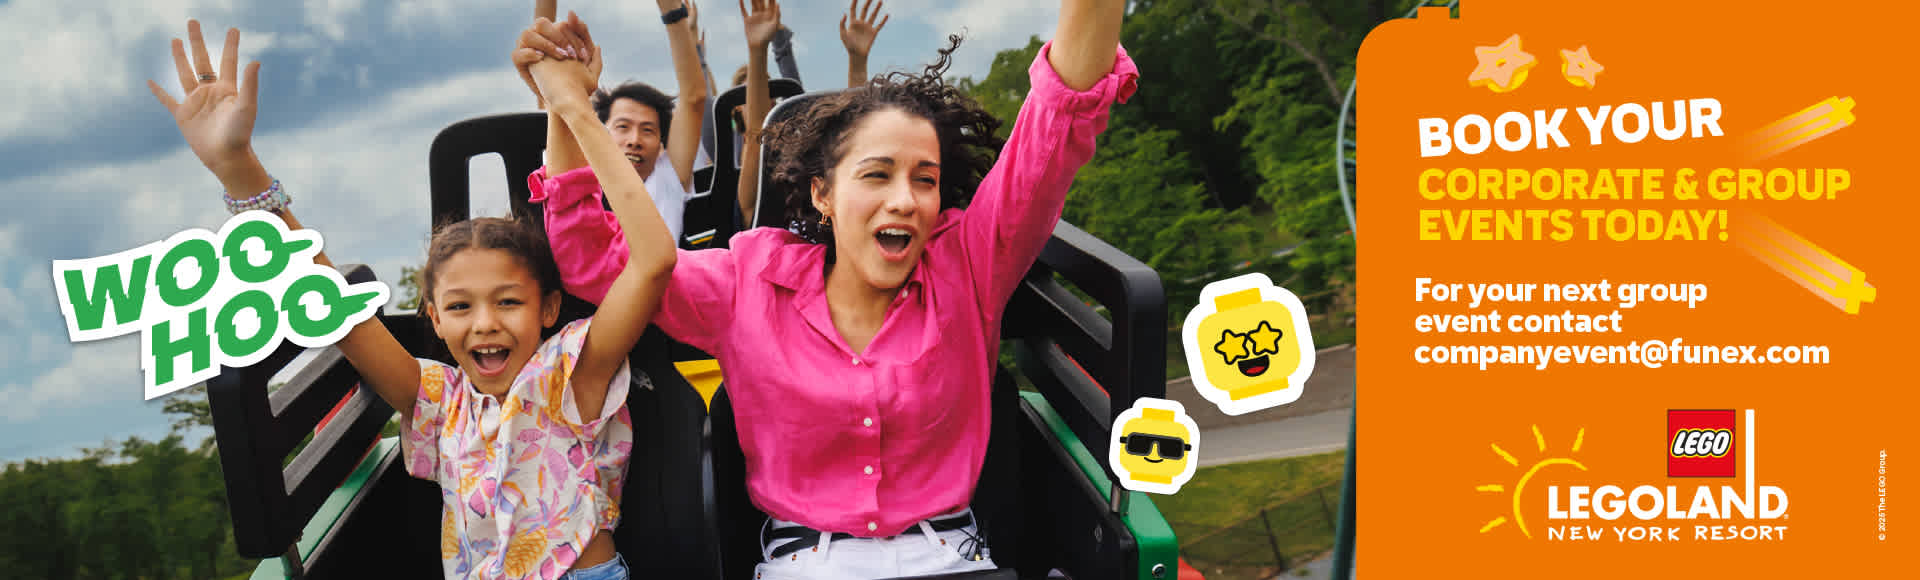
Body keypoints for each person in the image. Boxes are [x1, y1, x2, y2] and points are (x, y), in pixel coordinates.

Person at [539, 0, 1131, 576]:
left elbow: (1060, 117)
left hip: (952, 560)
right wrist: (568, 108)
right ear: (823, 195)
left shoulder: (969, 262)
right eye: (876, 174)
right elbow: (595, 257)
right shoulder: (746, 284)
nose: (904, 198)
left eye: (924, 180)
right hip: (804, 564)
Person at [150, 17, 678, 580]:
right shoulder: (438, 403)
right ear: (433, 318)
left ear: (548, 309)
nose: (484, 324)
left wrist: (574, 107)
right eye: (459, 307)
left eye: (507, 302)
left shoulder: (572, 371)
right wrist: (240, 172)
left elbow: (653, 263)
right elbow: (333, 307)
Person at [514, 0, 708, 247]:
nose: (634, 140)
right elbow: (553, 94)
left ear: (662, 143)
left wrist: (672, 11)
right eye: (623, 127)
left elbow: (694, 98)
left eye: (647, 130)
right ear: (601, 131)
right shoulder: (579, 182)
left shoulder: (668, 177)